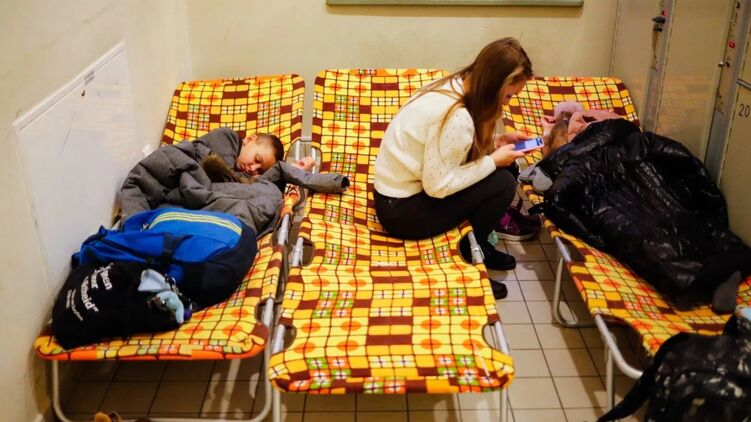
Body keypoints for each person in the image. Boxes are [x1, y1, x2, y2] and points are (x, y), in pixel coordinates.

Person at [373, 37, 534, 299]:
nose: (506, 103)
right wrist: (492, 160)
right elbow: (437, 186)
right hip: (402, 212)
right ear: (496, 86)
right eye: (508, 96)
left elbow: (449, 148)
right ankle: (472, 258)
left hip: (392, 197)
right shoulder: (456, 115)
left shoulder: (452, 84)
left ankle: (481, 245)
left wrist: (496, 142)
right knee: (503, 182)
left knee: (506, 169)